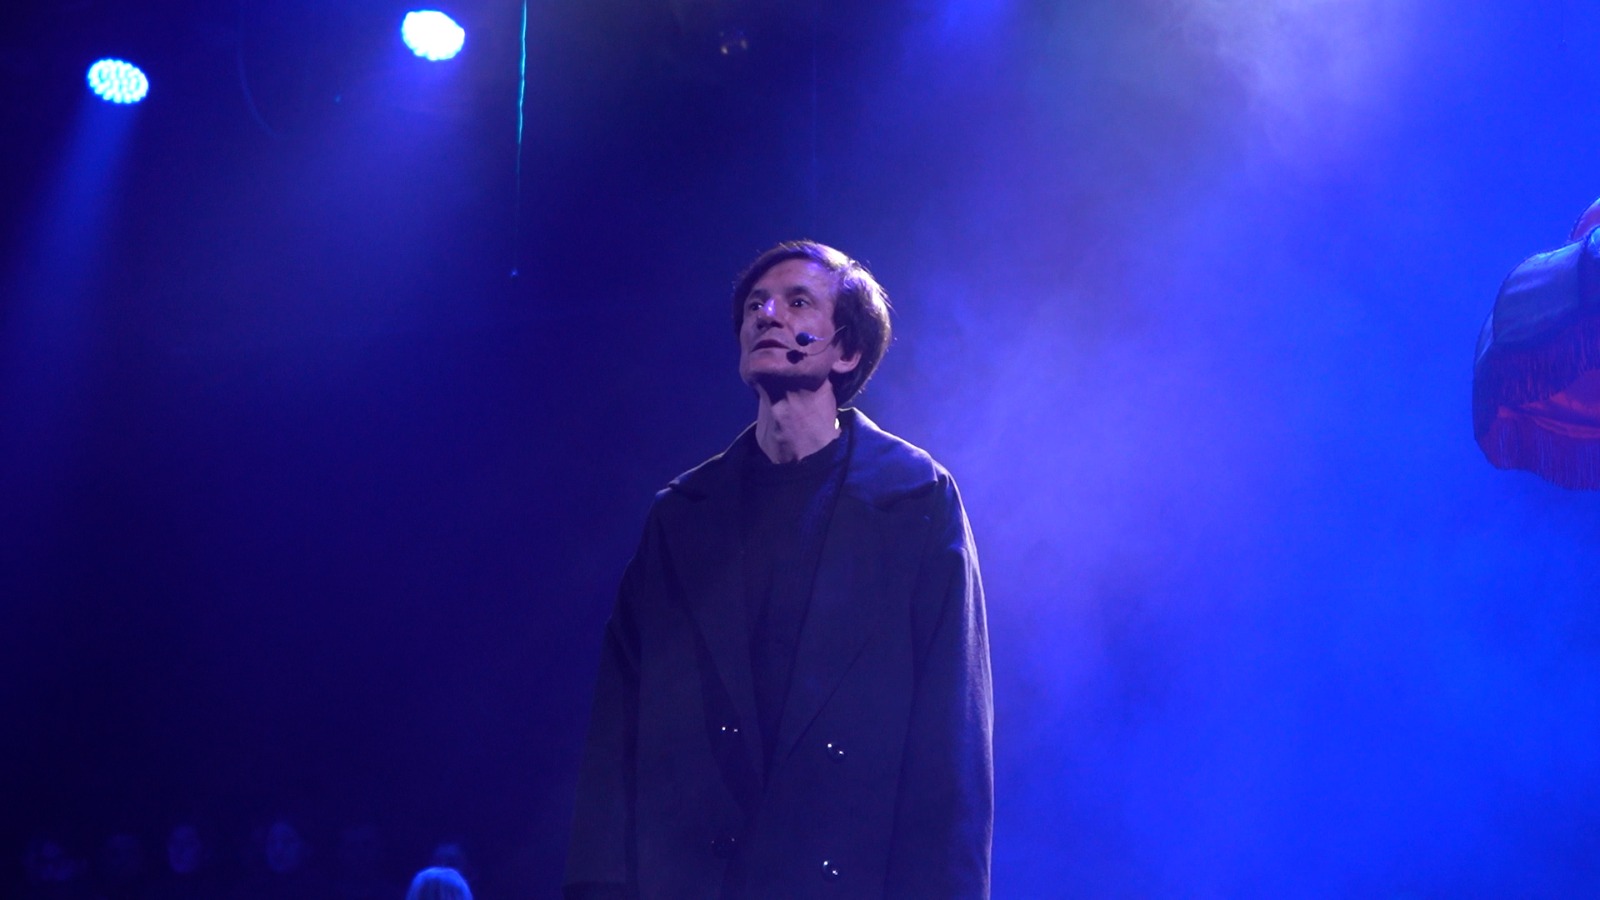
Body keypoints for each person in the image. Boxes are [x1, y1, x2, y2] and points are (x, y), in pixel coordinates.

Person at [565, 241, 992, 899]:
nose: (767, 314)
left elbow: (951, 736)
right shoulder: (682, 514)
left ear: (846, 351)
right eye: (755, 305)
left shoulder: (915, 500)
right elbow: (617, 722)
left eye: (797, 302)